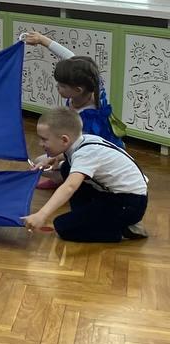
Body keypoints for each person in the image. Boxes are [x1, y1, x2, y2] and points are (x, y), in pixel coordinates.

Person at [22, 107, 148, 243]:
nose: (40, 144)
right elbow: (68, 154)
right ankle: (87, 217)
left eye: (44, 139)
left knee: (63, 227)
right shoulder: (84, 139)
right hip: (121, 196)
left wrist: (42, 214)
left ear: (64, 140)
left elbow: (70, 187)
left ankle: (122, 230)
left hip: (129, 204)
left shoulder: (85, 154)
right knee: (67, 167)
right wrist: (53, 159)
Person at [21, 32, 124, 146]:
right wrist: (41, 39)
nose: (57, 87)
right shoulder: (88, 79)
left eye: (62, 86)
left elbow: (80, 147)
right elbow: (69, 56)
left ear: (78, 90)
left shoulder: (88, 121)